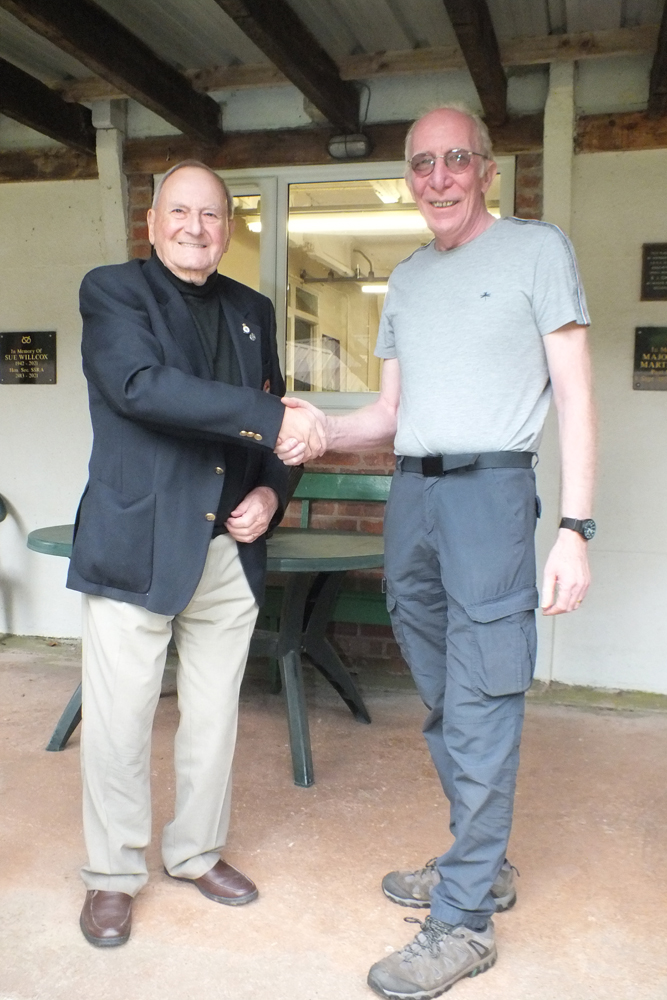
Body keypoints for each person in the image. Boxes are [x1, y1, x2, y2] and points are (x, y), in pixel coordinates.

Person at [277, 105, 596, 998]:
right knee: (444, 693)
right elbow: (385, 417)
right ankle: (478, 864)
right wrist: (317, 434)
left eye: (457, 159)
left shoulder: (538, 251)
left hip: (492, 494)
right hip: (411, 492)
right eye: (422, 164)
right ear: (409, 179)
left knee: (486, 692)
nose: (439, 177)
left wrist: (574, 528)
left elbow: (573, 398)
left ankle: (460, 922)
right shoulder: (407, 279)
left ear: (486, 171)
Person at [67, 161, 324, 947]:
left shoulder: (252, 308)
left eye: (210, 214)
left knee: (213, 720)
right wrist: (272, 418)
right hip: (136, 541)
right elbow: (142, 388)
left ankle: (195, 852)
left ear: (228, 227)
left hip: (226, 549)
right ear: (152, 223)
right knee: (119, 723)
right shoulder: (113, 292)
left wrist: (273, 493)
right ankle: (113, 874)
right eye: (179, 211)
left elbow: (275, 432)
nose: (194, 227)